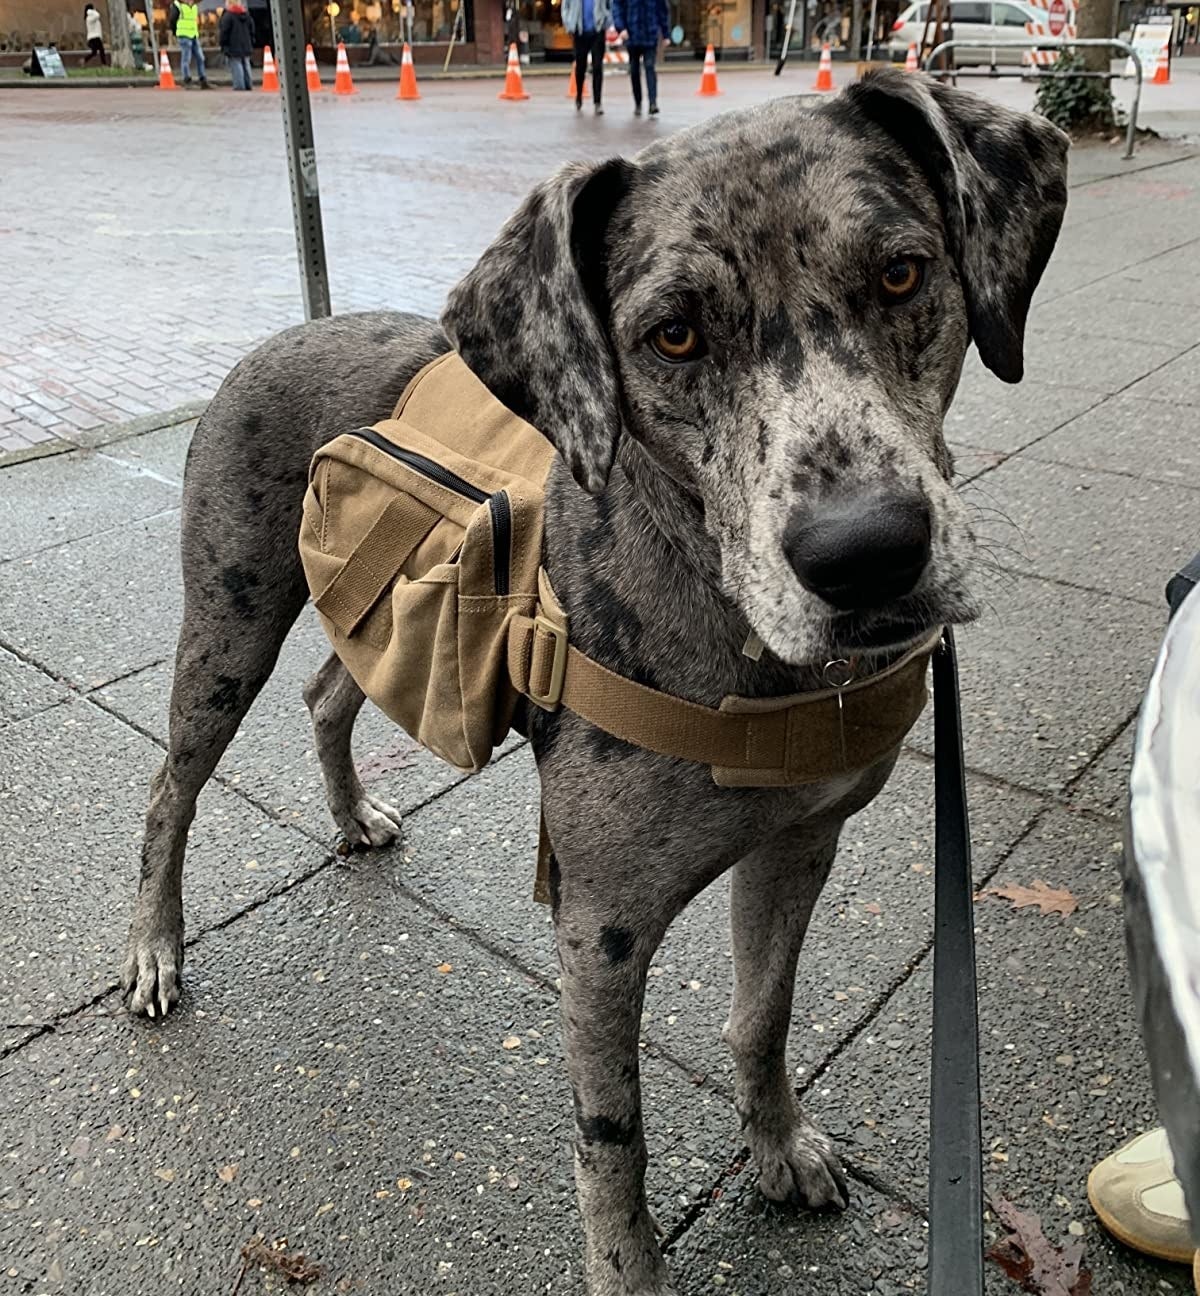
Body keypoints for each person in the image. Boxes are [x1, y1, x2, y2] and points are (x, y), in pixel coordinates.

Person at [613, 0, 669, 115]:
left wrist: (665, 33)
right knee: (634, 70)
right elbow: (617, 7)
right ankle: (638, 102)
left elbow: (662, 10)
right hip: (632, 35)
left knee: (649, 67)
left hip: (650, 34)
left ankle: (653, 103)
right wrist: (621, 28)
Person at [563, 0, 612, 115]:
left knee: (597, 66)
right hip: (579, 31)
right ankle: (579, 95)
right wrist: (569, 23)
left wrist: (606, 20)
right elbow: (565, 7)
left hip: (597, 31)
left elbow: (610, 6)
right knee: (580, 67)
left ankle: (597, 102)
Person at [170, 0, 210, 88]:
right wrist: (175, 32)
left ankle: (203, 79)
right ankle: (187, 80)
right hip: (184, 35)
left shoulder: (194, 6)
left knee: (200, 58)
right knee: (186, 59)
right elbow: (172, 20)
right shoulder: (178, 6)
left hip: (194, 34)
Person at [220, 1, 256, 90]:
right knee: (246, 64)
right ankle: (248, 84)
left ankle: (239, 85)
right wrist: (251, 41)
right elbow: (252, 29)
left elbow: (224, 32)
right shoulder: (246, 14)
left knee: (236, 65)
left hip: (233, 45)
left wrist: (223, 44)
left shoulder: (228, 16)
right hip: (246, 44)